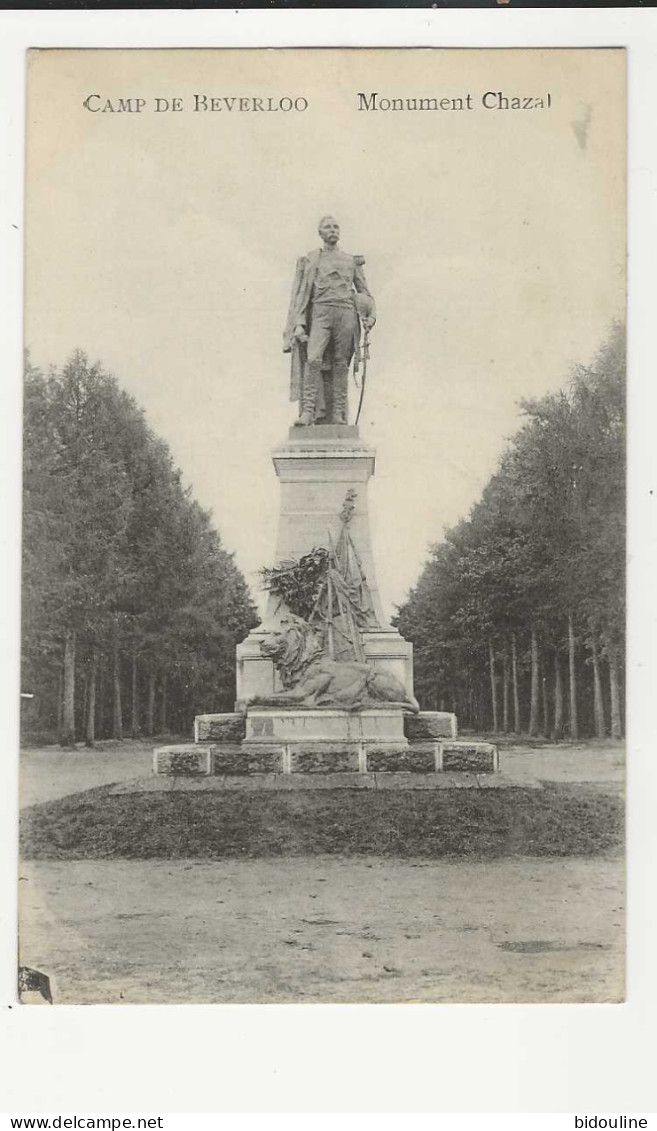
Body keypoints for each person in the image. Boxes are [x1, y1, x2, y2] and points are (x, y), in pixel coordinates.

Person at [283, 215, 376, 426]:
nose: (332, 230)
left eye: (335, 227)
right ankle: (308, 412)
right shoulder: (313, 260)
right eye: (327, 227)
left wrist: (371, 316)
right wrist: (299, 323)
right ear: (320, 233)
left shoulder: (351, 261)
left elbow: (365, 294)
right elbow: (303, 295)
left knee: (341, 363)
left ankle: (338, 413)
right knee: (313, 359)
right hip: (320, 312)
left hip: (345, 313)